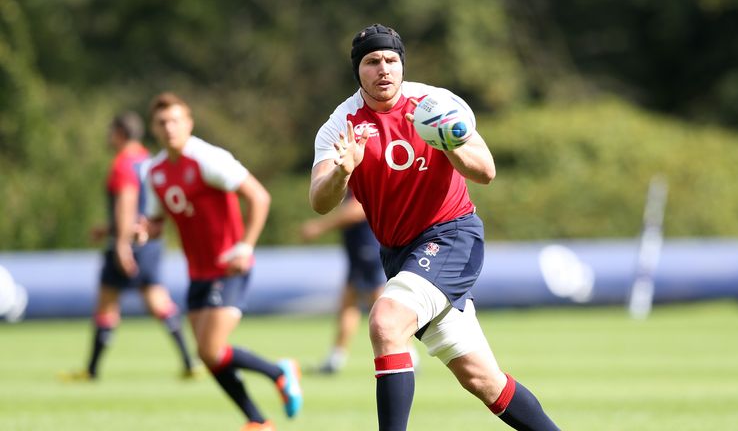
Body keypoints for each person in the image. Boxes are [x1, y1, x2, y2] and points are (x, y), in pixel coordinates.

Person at [309, 24, 561, 430]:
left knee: (386, 322)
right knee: (483, 379)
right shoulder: (342, 124)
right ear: (358, 70)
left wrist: (451, 143)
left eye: (392, 60)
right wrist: (342, 171)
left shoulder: (436, 104)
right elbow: (320, 201)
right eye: (373, 62)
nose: (384, 69)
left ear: (402, 64)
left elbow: (487, 171)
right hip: (401, 255)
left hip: (451, 236)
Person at [143, 92, 302, 431]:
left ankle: (279, 373)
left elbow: (259, 196)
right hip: (197, 272)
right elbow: (156, 223)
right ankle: (258, 419)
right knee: (206, 353)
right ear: (153, 128)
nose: (169, 128)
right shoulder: (154, 171)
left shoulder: (207, 158)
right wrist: (143, 230)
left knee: (211, 349)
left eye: (175, 120)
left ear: (189, 123)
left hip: (228, 267)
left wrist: (245, 246)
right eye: (162, 122)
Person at [62, 111, 197, 381]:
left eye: (111, 131)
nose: (108, 137)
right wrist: (110, 228)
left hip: (128, 242)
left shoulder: (123, 163)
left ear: (120, 133)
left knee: (106, 306)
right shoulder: (148, 161)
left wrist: (121, 243)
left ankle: (91, 370)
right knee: (158, 301)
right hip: (150, 242)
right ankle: (189, 362)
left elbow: (127, 201)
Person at [301, 192, 419, 374]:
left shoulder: (361, 174)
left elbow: (358, 209)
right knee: (349, 302)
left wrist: (320, 226)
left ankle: (409, 356)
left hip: (369, 247)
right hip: (359, 250)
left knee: (383, 305)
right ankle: (335, 359)